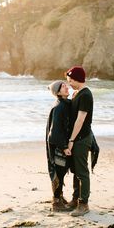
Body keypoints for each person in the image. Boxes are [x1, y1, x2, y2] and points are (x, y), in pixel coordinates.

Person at [65, 66, 94, 217]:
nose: (68, 83)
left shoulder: (86, 95)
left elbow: (80, 120)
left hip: (81, 138)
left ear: (77, 79)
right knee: (76, 170)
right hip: (77, 138)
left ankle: (84, 204)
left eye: (70, 80)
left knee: (82, 171)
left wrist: (71, 140)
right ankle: (75, 199)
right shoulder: (76, 93)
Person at [46, 80, 72, 212]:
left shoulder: (65, 104)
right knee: (58, 172)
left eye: (65, 85)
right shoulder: (59, 107)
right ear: (57, 92)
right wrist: (64, 147)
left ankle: (59, 197)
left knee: (60, 171)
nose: (66, 87)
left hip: (60, 144)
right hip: (57, 145)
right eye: (63, 86)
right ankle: (56, 202)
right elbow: (54, 132)